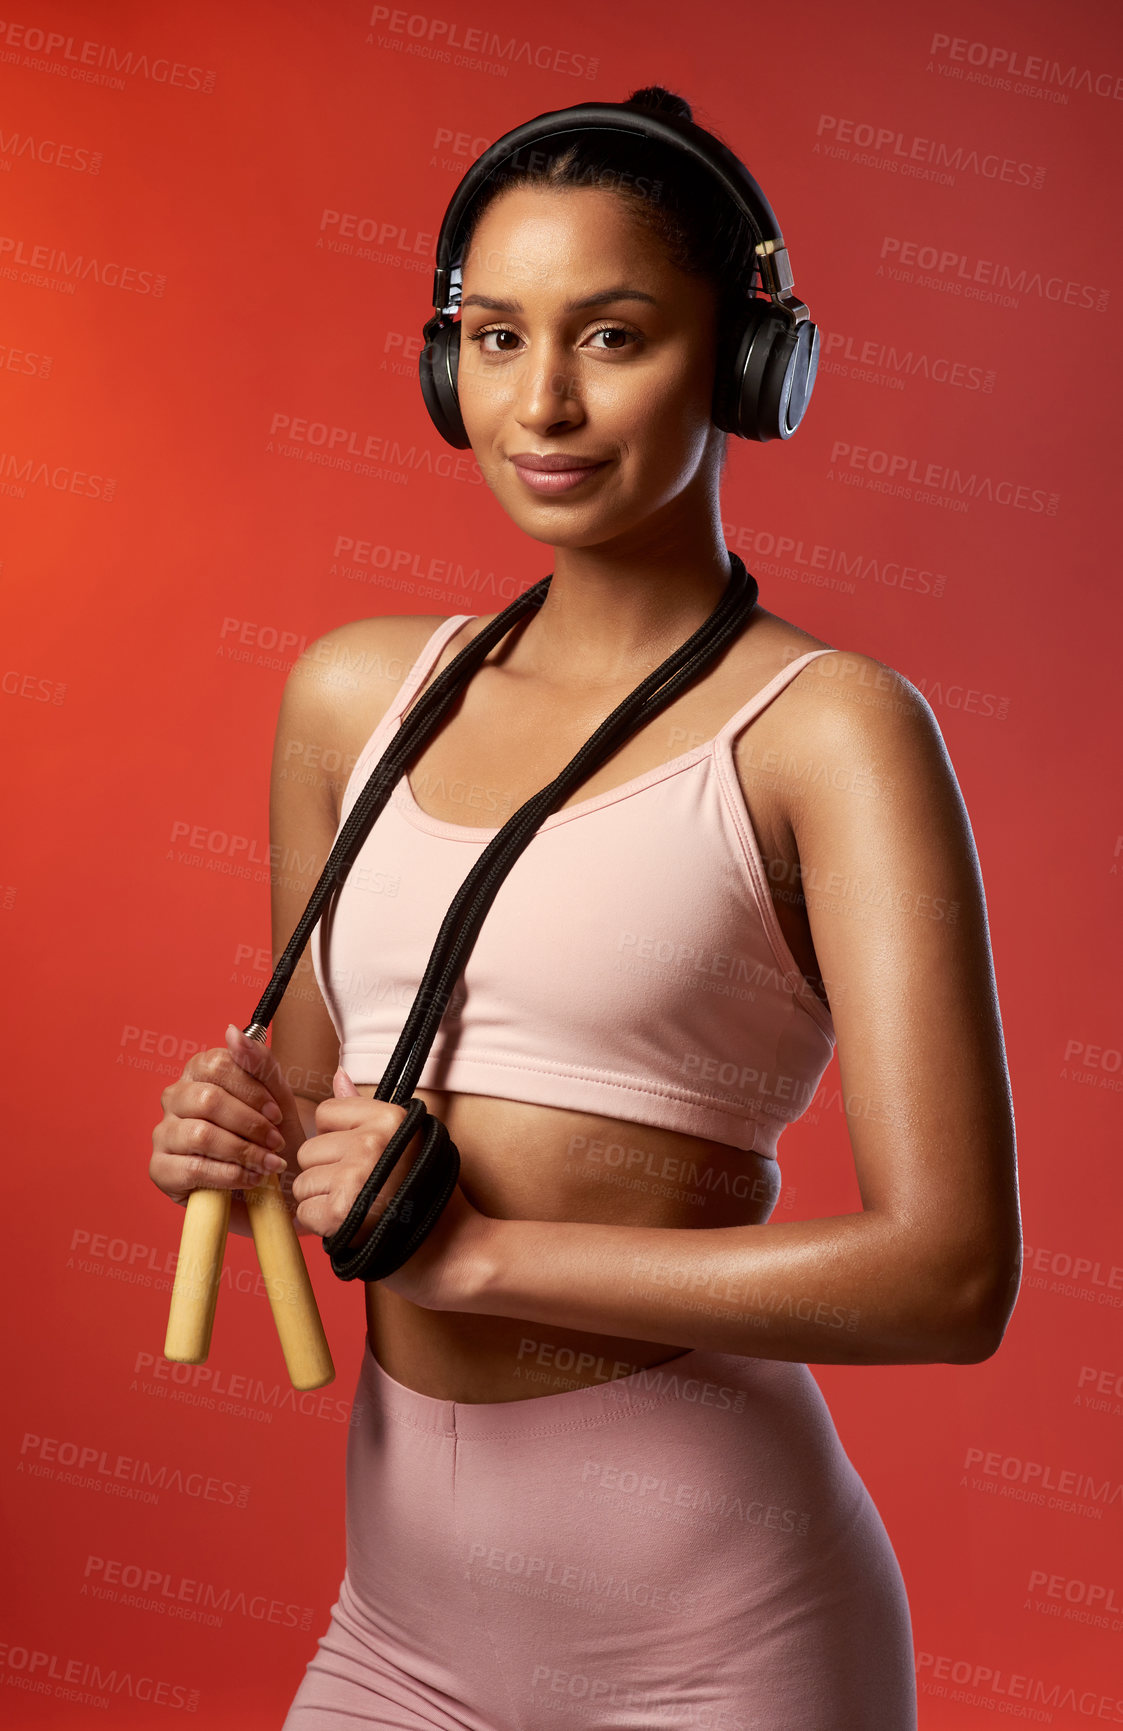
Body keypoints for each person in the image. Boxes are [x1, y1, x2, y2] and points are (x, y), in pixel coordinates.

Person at [150, 85, 1020, 1729]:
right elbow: (325, 1107)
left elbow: (950, 1278)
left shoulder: (834, 735)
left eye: (611, 338)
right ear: (441, 364)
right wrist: (232, 1133)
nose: (539, 401)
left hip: (722, 1648)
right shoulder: (358, 696)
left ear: (748, 364)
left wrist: (483, 1261)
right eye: (491, 338)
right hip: (400, 1635)